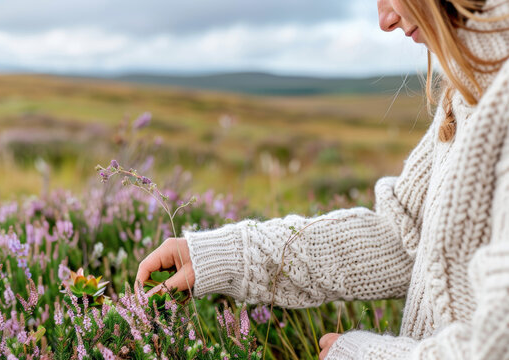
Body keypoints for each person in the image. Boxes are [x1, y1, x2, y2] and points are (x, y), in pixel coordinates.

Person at [136, 0, 509, 358]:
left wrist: (363, 355)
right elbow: (402, 237)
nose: (385, 20)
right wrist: (229, 254)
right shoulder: (473, 87)